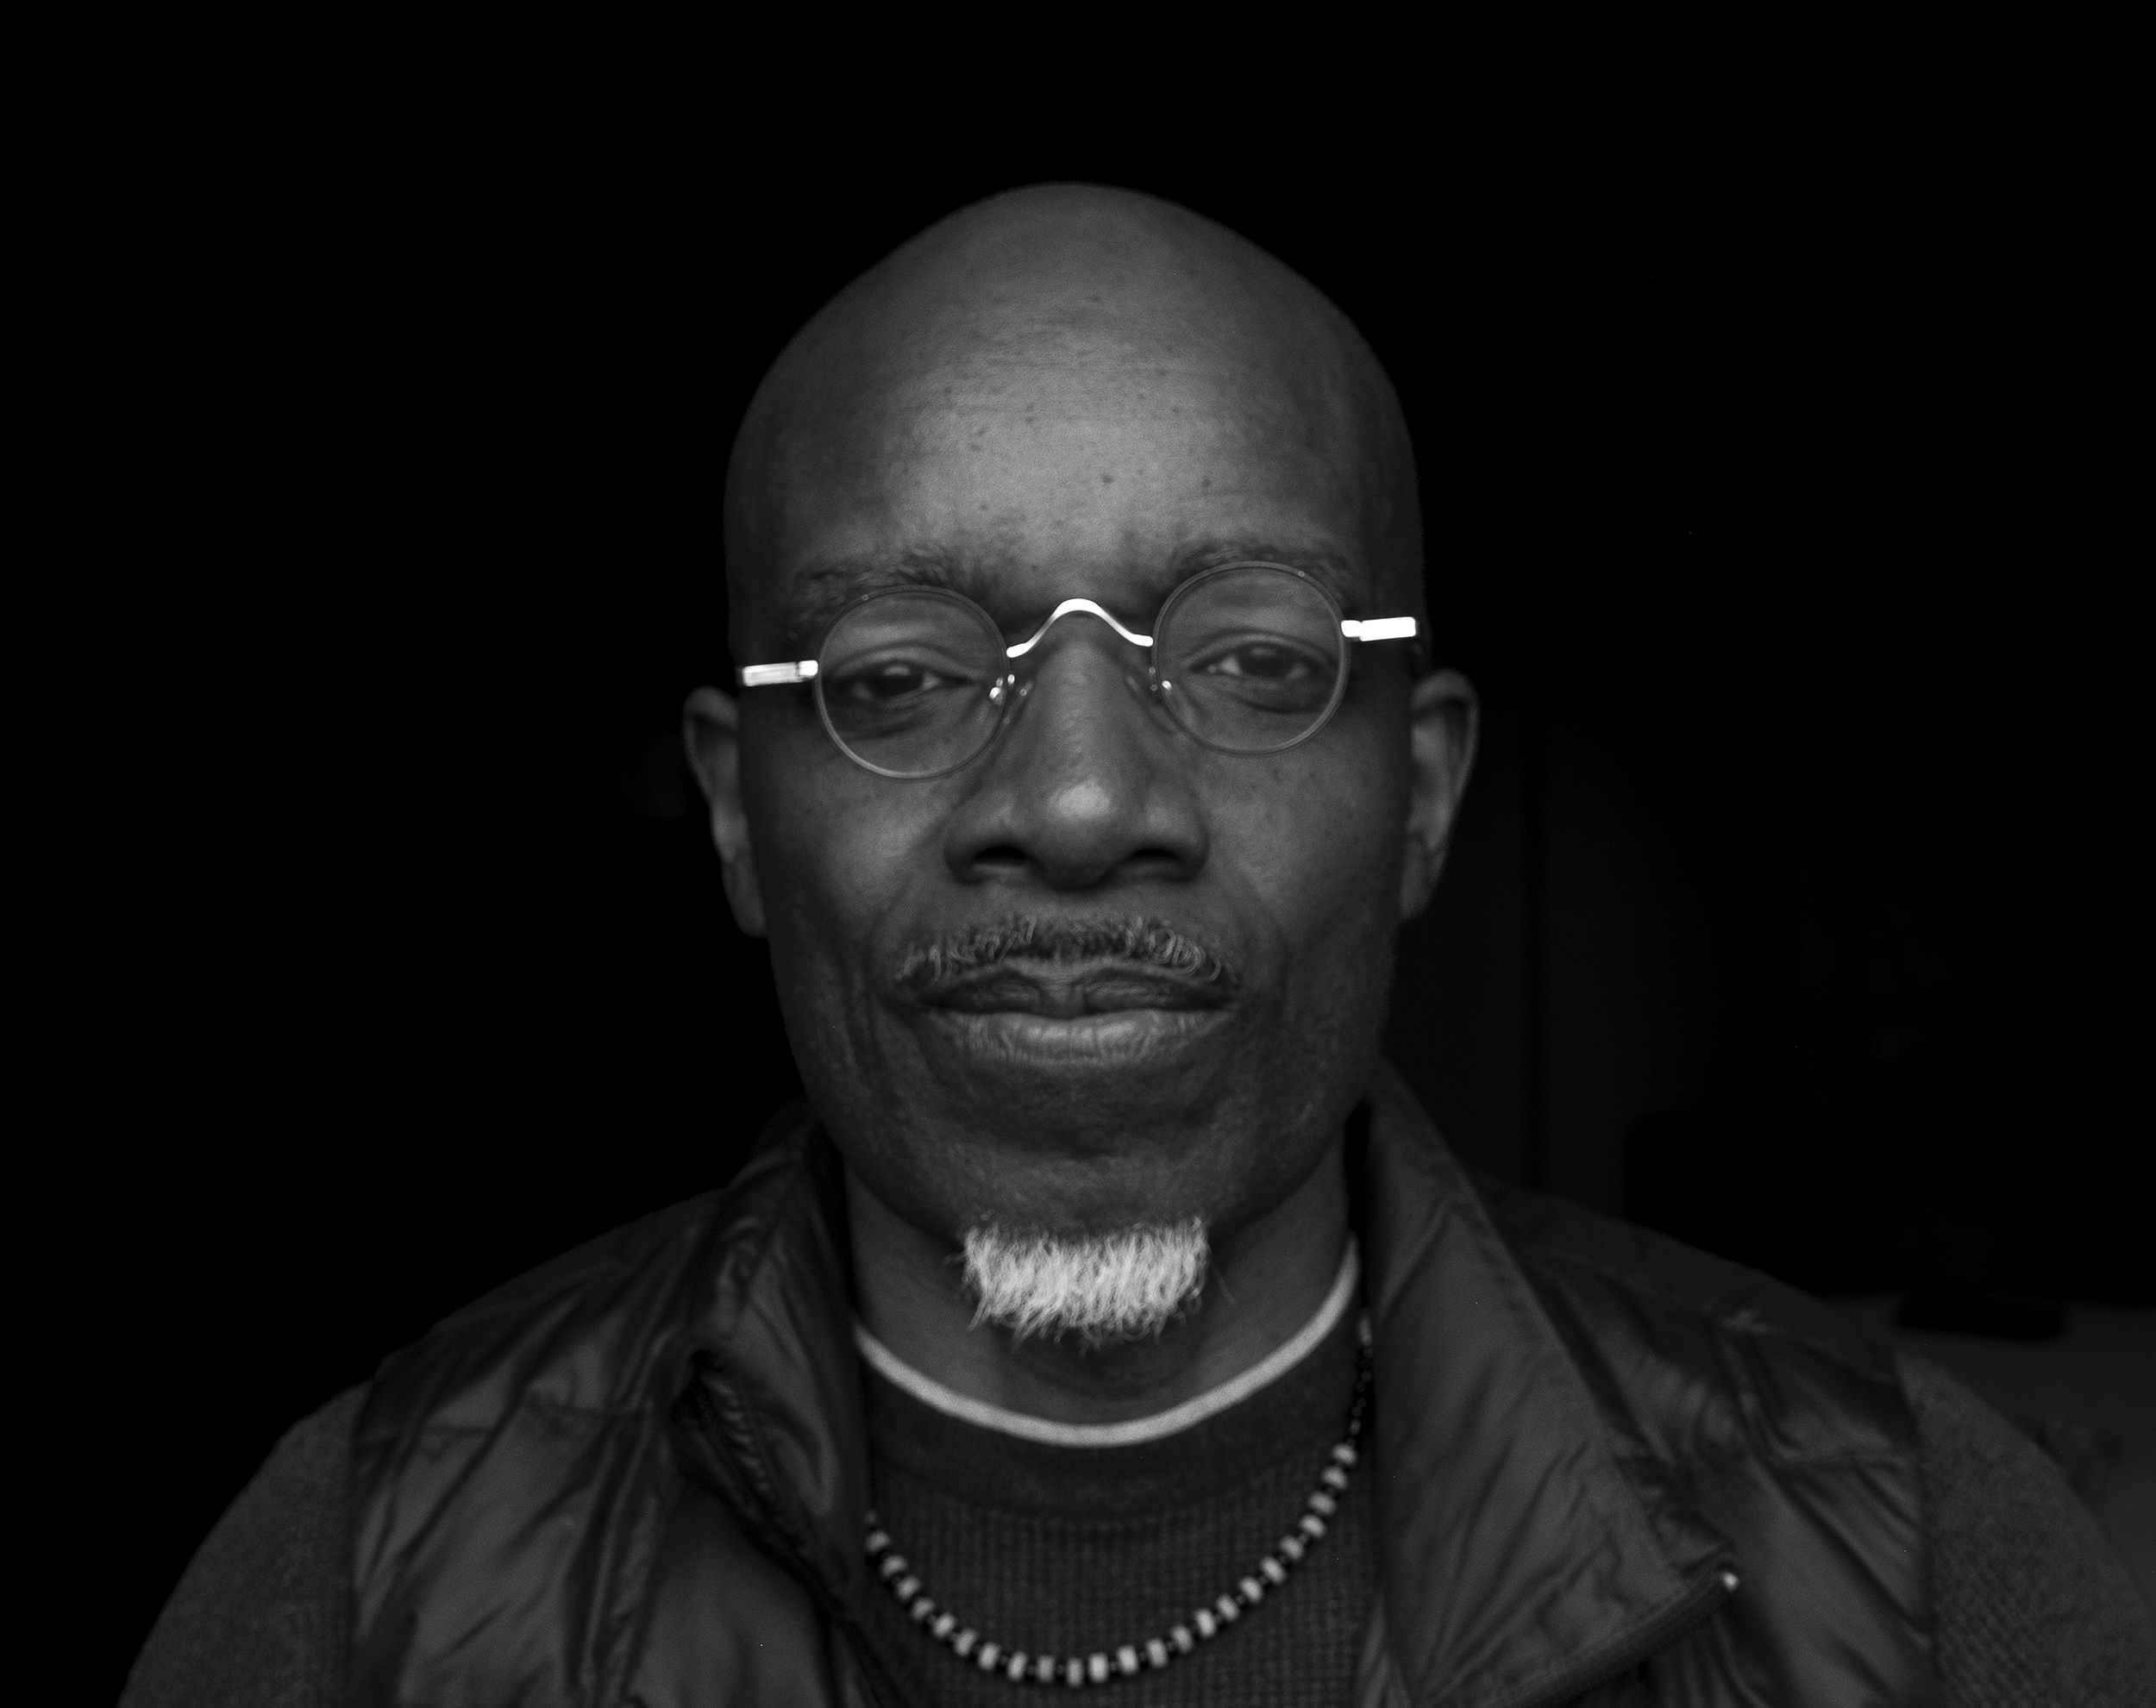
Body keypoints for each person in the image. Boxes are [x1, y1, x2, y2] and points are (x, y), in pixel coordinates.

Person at [125, 185, 2151, 1708]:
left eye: (1254, 658)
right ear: (737, 813)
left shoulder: (1918, 1563)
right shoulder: (355, 1579)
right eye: (898, 674)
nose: (1083, 801)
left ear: (1422, 792)